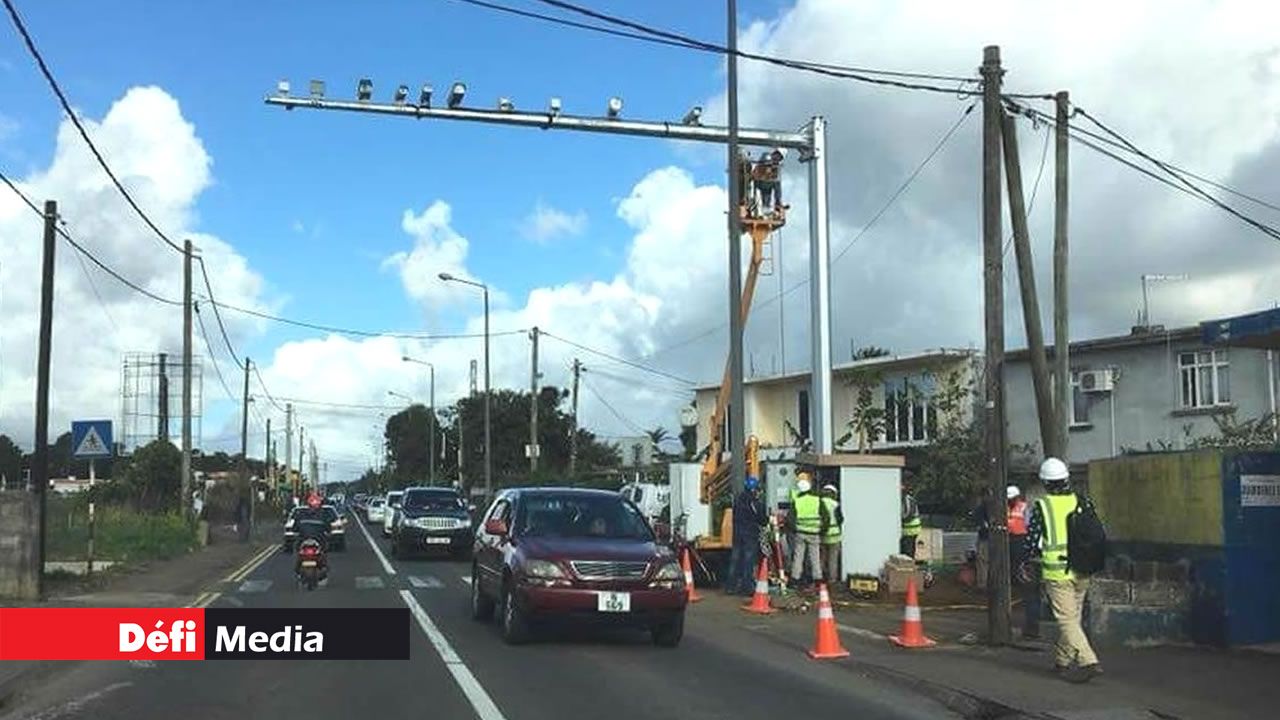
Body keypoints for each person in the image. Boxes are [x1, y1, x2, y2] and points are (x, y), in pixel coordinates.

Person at [1027, 457, 1101, 681]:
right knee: (1072, 618)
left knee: (1066, 620)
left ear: (1046, 483)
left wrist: (1029, 561)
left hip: (1057, 572)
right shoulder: (1082, 501)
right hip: (1084, 569)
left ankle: (1088, 660)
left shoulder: (1043, 506)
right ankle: (1062, 660)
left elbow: (1031, 541)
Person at [1007, 485, 1041, 639]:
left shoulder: (1025, 508)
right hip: (1010, 540)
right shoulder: (1004, 507)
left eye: (1012, 499)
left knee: (1029, 587)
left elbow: (1029, 527)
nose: (1010, 501)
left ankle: (1032, 628)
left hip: (1023, 542)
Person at [729, 475, 767, 595]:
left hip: (737, 533)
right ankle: (747, 586)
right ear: (754, 489)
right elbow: (762, 519)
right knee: (748, 560)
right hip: (750, 534)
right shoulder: (754, 503)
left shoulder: (738, 500)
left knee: (735, 560)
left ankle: (731, 586)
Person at [789, 474, 823, 588]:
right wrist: (821, 529)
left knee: (798, 557)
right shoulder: (817, 500)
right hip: (814, 533)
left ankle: (795, 578)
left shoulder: (797, 501)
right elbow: (825, 517)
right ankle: (817, 579)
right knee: (815, 557)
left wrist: (795, 529)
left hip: (800, 533)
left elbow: (791, 519)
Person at [819, 484, 844, 587]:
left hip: (822, 534)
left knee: (821, 557)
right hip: (834, 535)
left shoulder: (819, 504)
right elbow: (840, 519)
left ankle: (820, 578)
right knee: (833, 559)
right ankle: (832, 579)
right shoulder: (836, 504)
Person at [753, 148, 785, 214]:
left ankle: (766, 208)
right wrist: (771, 166)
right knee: (776, 183)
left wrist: (774, 169)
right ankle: (778, 202)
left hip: (766, 183)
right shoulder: (767, 156)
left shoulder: (777, 166)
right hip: (759, 180)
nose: (778, 159)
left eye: (779, 158)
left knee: (767, 193)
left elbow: (773, 176)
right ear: (776, 153)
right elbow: (764, 164)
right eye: (778, 156)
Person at [971, 491, 991, 589]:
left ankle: (983, 584)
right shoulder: (999, 507)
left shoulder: (982, 508)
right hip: (998, 538)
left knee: (983, 561)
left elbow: (980, 524)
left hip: (985, 538)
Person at [900, 477, 921, 558]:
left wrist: (900, 519)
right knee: (908, 549)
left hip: (911, 529)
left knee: (908, 551)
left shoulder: (907, 499)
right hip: (908, 529)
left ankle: (909, 567)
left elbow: (908, 514)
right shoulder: (905, 498)